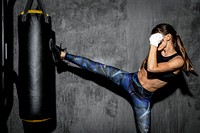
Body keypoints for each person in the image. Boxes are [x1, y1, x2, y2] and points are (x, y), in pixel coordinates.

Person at [49, 23, 197, 133]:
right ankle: (62, 55)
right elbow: (146, 65)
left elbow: (152, 68)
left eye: (157, 40)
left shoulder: (178, 61)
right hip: (130, 80)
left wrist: (153, 43)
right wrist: (144, 62)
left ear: (168, 37)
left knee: (144, 131)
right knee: (97, 67)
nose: (155, 43)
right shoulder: (156, 48)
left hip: (142, 98)